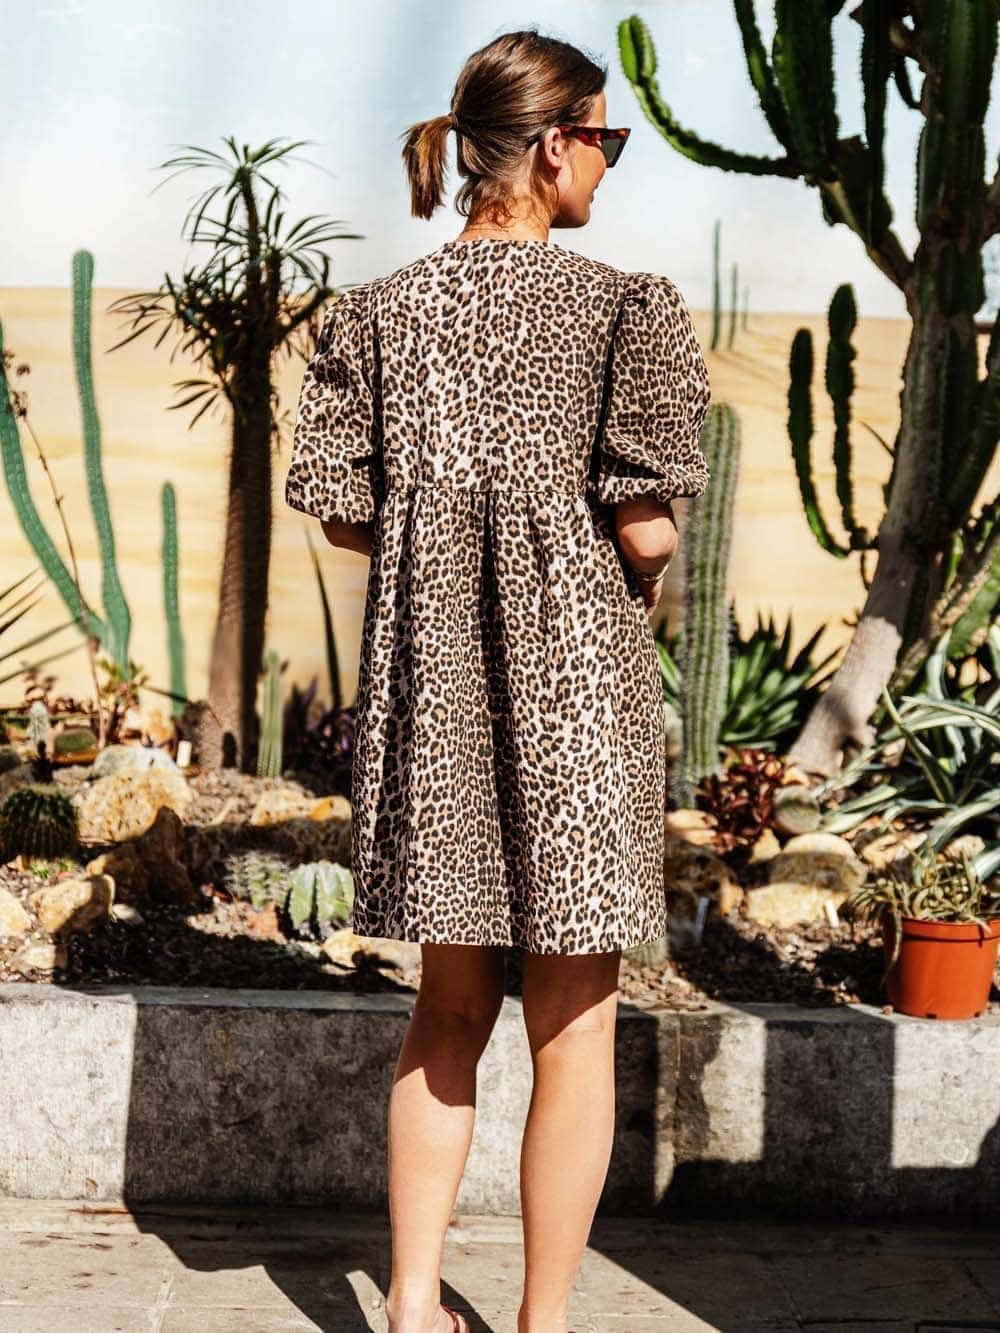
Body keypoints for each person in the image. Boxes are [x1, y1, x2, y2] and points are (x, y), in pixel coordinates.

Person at [284, 27, 712, 1333]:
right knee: (574, 1024)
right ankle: (543, 1323)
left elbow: (343, 511)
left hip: (435, 698)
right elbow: (648, 529)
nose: (611, 164)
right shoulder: (625, 308)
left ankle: (413, 1306)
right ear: (555, 144)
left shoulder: (376, 314)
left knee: (449, 1003)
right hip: (578, 697)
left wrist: (450, 530)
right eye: (608, 138)